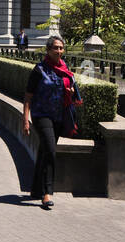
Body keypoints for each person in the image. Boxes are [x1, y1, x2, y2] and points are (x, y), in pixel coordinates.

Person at [21, 36, 83, 210]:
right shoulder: (39, 70)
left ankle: (35, 189)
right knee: (50, 150)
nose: (59, 51)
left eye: (61, 48)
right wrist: (25, 119)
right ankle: (47, 193)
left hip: (58, 116)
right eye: (55, 48)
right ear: (48, 50)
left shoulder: (65, 69)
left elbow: (68, 90)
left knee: (44, 152)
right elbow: (28, 96)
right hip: (41, 115)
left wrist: (69, 92)